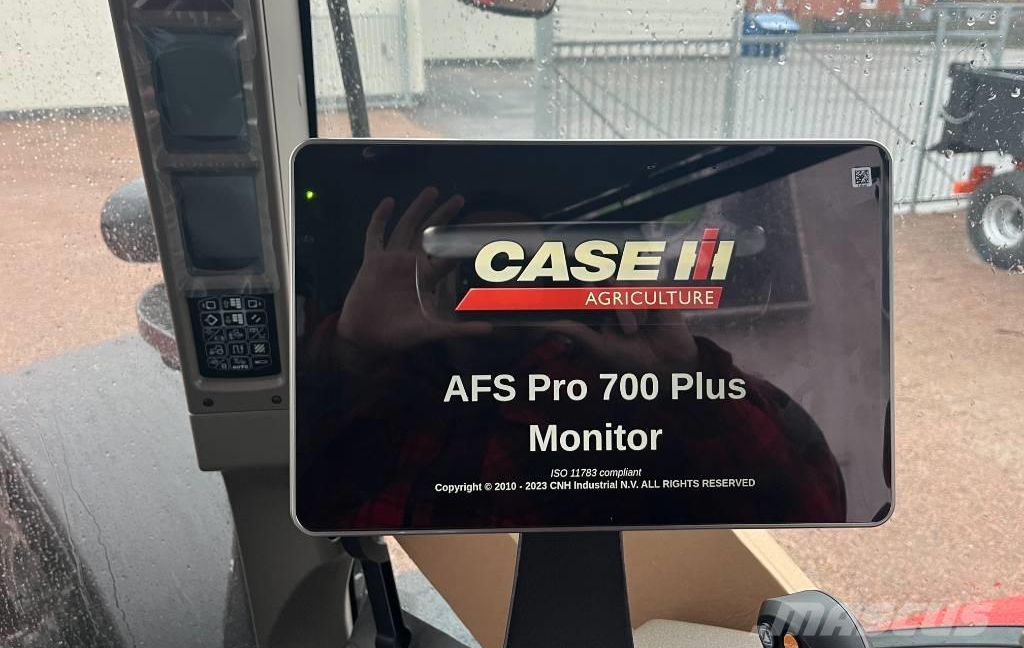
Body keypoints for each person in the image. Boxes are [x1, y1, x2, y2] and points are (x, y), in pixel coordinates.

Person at [295, 188, 845, 531]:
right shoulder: (383, 387)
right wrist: (349, 350)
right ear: (431, 283)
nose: (498, 283)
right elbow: (296, 511)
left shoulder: (613, 390)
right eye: (475, 264)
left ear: (557, 281)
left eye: (519, 263)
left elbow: (812, 511)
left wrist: (681, 380)